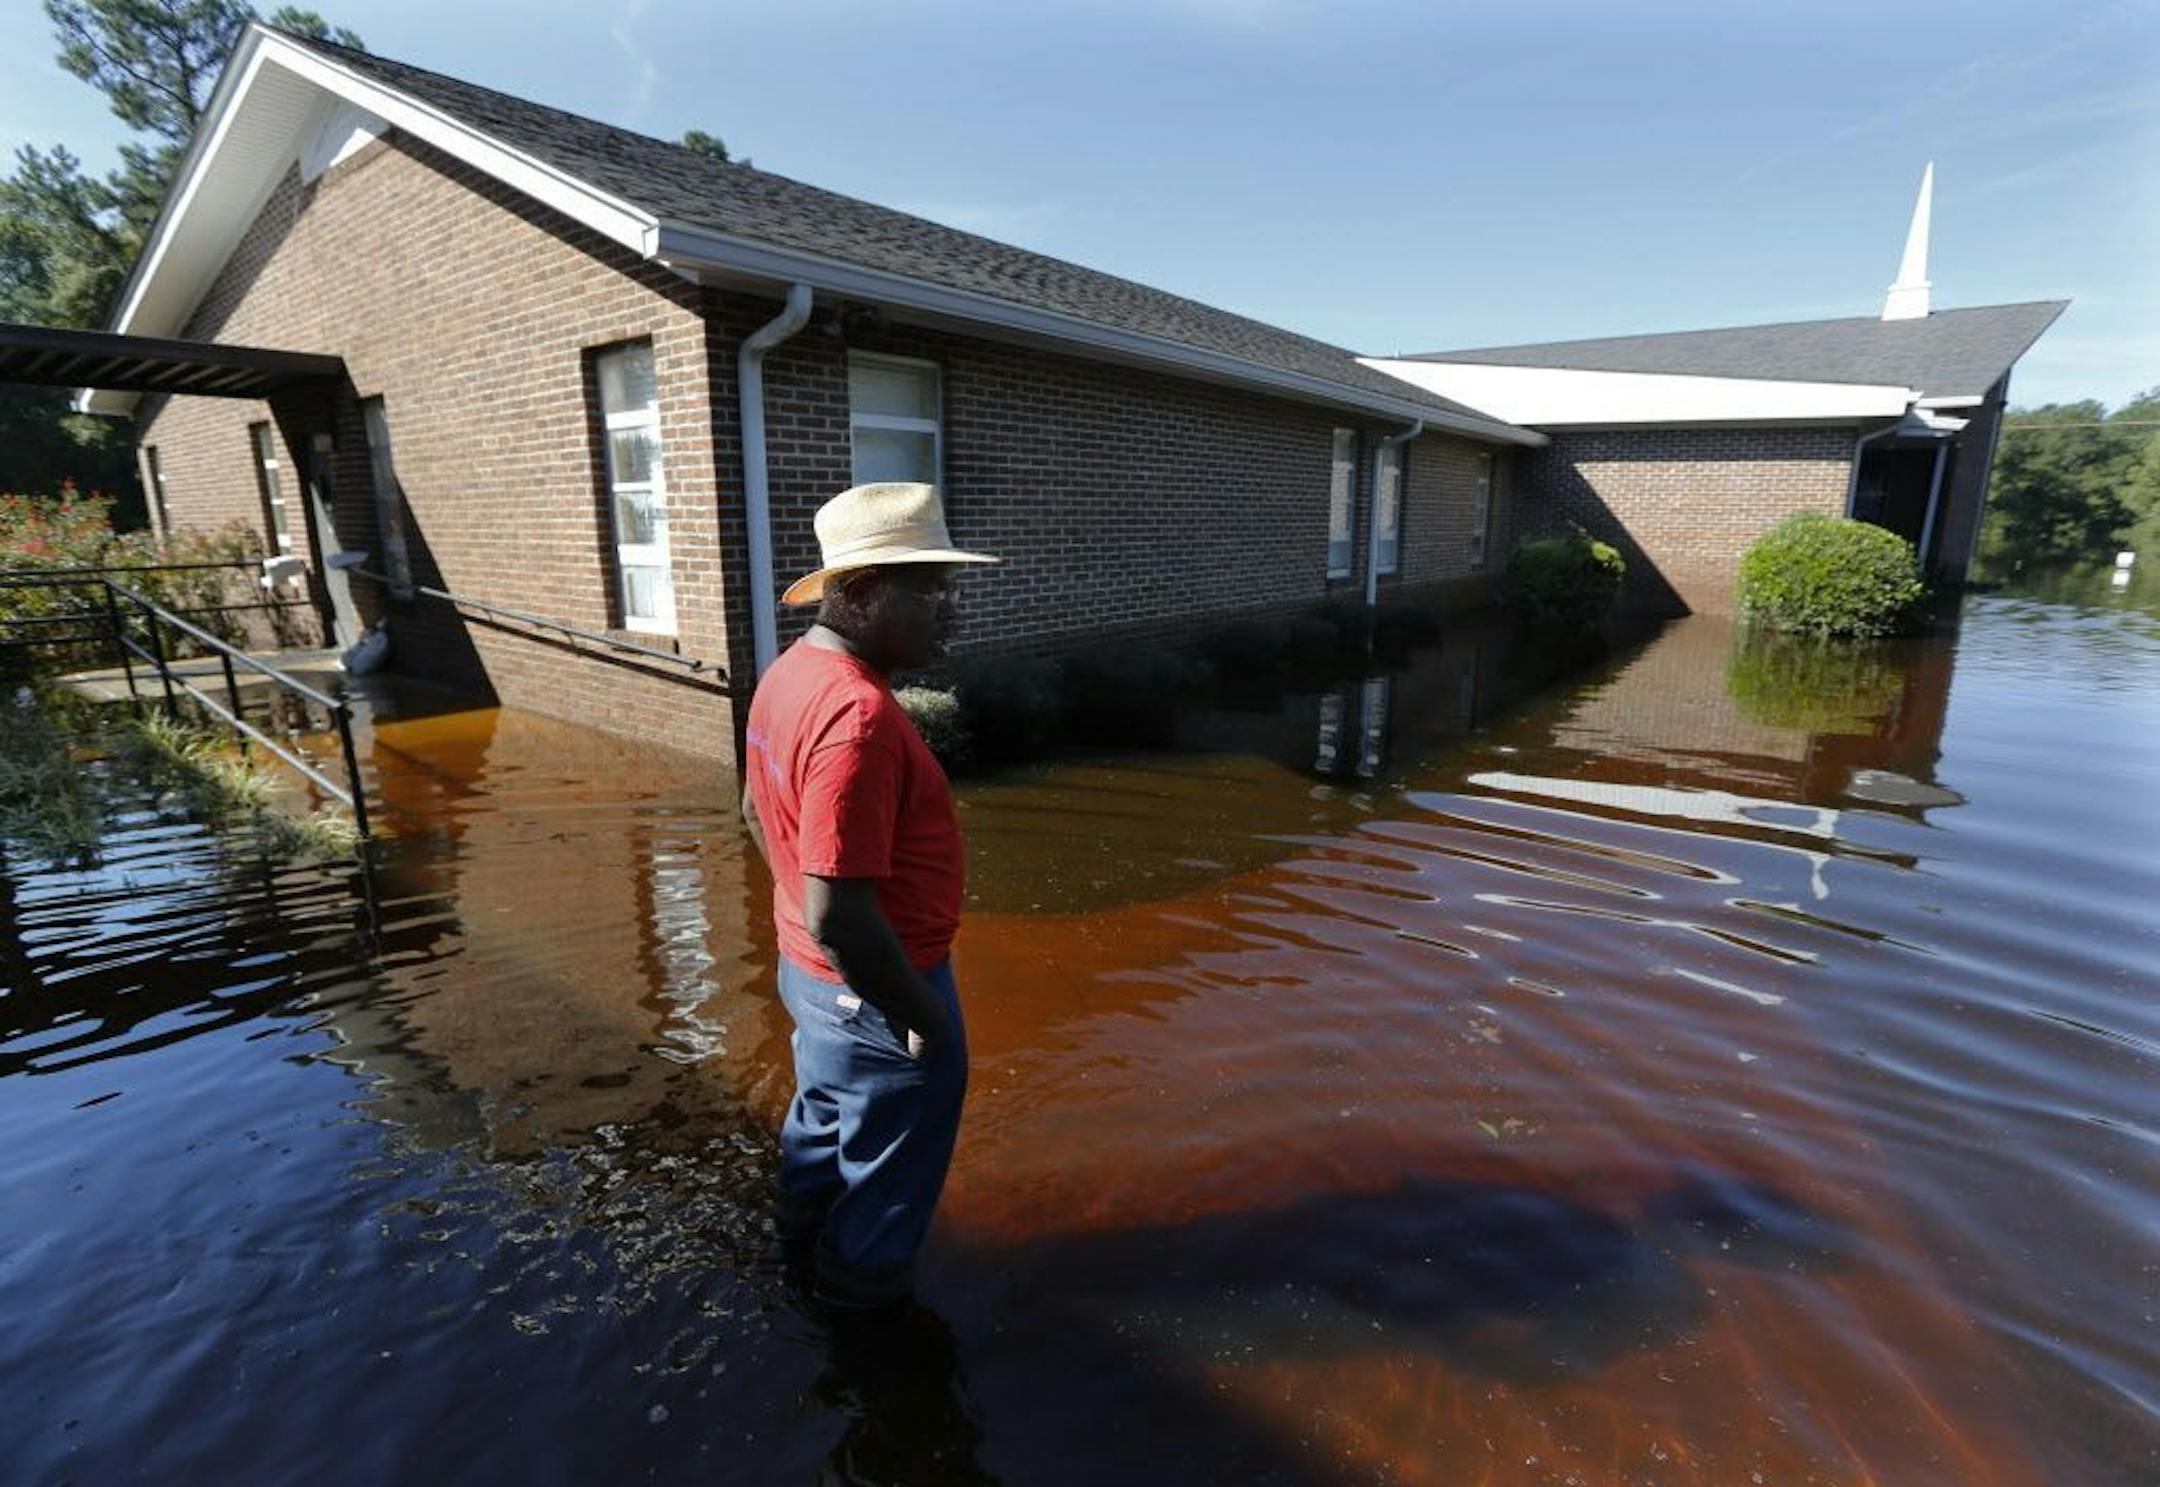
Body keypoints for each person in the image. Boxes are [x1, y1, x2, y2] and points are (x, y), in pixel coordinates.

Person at [740, 481, 998, 1311]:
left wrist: (809, 937)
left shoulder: (789, 674)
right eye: (926, 588)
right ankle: (866, 1347)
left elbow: (753, 813)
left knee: (821, 1128)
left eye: (946, 585)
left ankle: (795, 1263)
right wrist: (924, 1016)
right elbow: (841, 911)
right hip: (879, 993)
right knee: (886, 1196)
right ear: (856, 593)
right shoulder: (858, 718)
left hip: (815, 981)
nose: (948, 607)